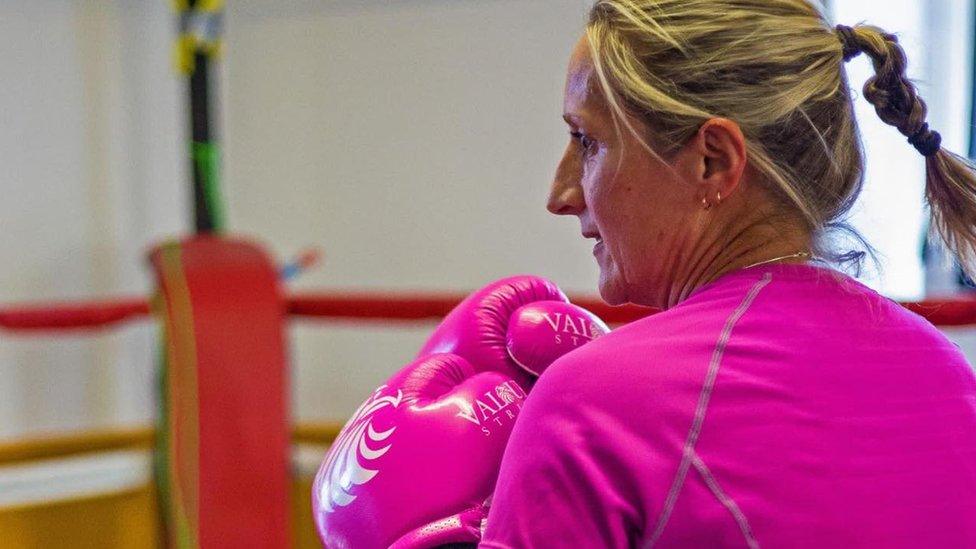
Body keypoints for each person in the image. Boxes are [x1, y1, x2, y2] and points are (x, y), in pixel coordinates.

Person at [480, 1, 976, 547]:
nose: (561, 194)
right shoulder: (950, 377)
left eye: (588, 141)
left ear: (711, 161)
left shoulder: (595, 404)